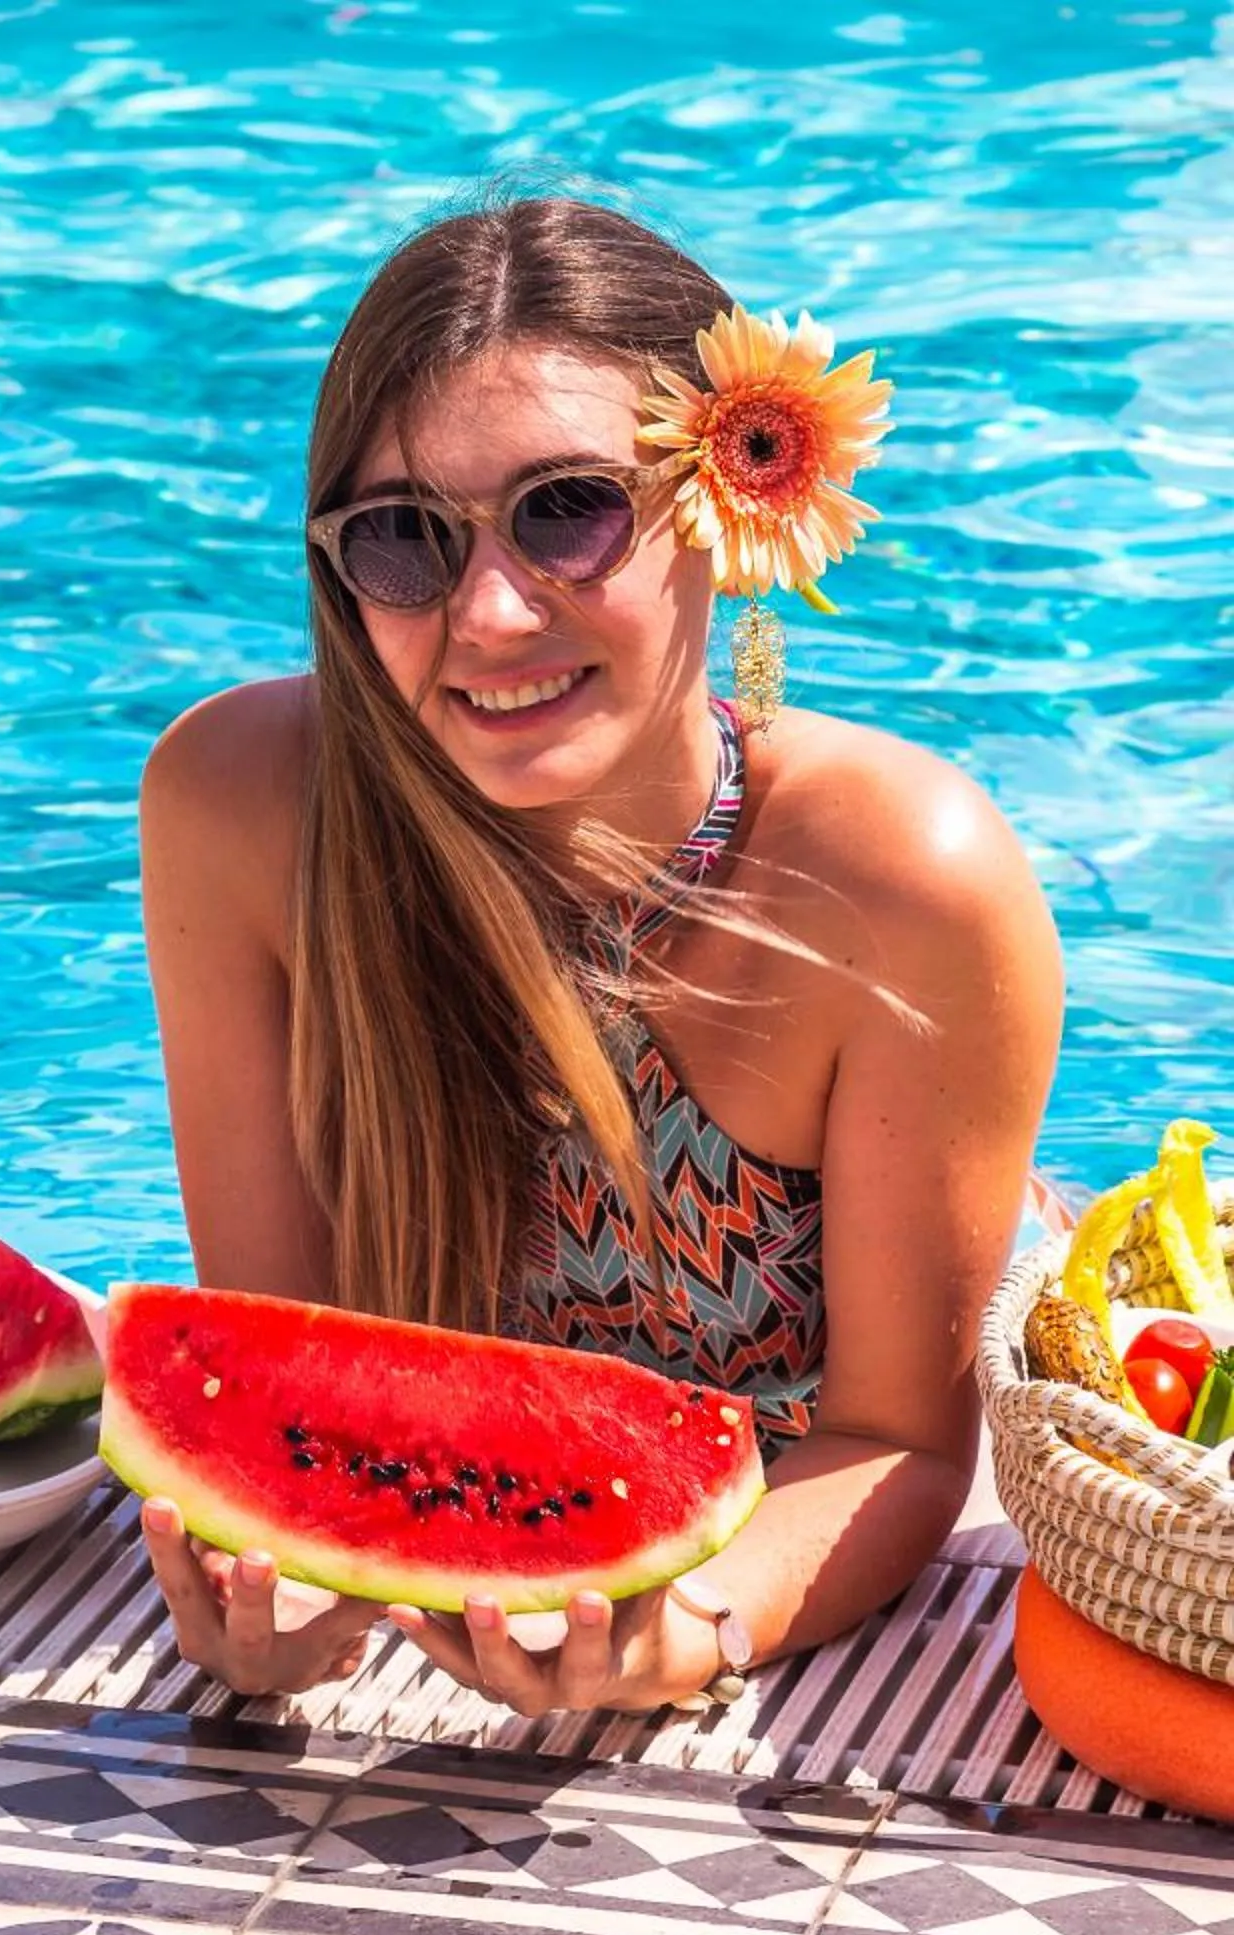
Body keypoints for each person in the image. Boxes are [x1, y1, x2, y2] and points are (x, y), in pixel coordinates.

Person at [132, 195, 1064, 1716]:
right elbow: (284, 1370)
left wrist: (679, 1636)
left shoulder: (906, 880)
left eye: (569, 510)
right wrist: (269, 1586)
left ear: (730, 503)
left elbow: (893, 1440)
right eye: (404, 540)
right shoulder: (237, 811)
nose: (492, 610)